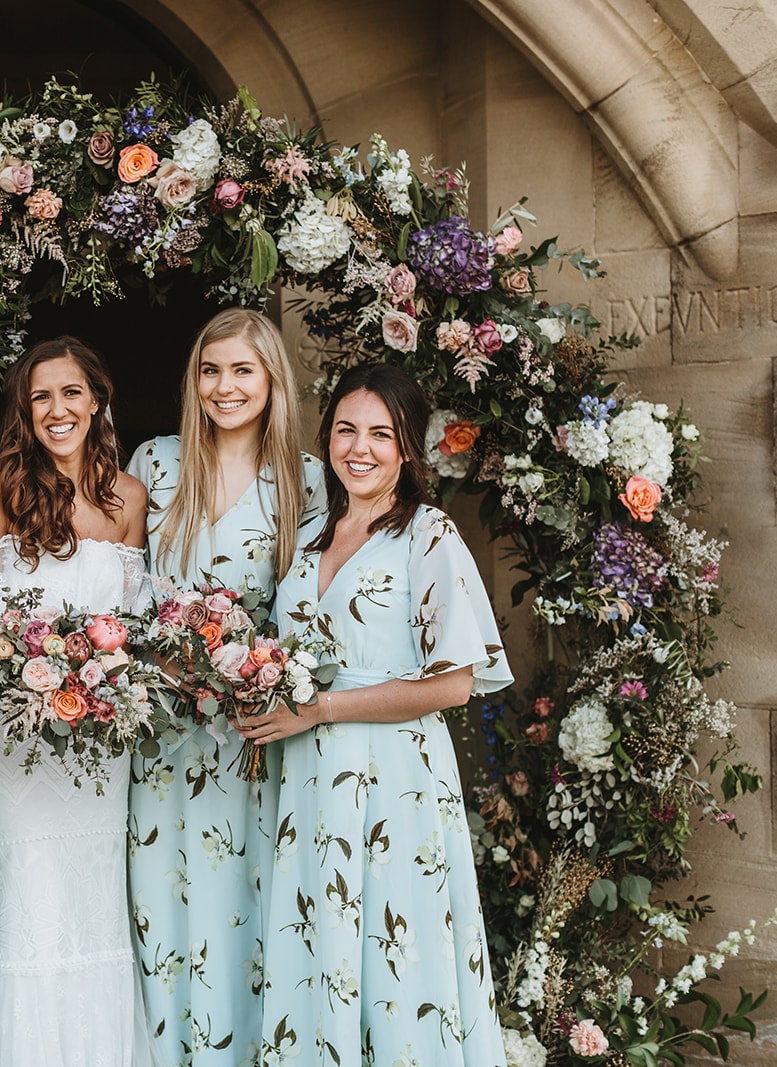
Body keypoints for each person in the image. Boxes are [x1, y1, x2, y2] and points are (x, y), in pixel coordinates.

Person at [237, 362, 511, 1065]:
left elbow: (454, 684)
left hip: (395, 782)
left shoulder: (428, 533)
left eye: (381, 434)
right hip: (308, 781)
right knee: (320, 945)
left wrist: (321, 707)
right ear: (326, 435)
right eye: (346, 429)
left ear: (409, 448)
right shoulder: (306, 535)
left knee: (396, 961)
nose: (360, 447)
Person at [124, 308, 324, 1065]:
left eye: (242, 370)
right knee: (165, 904)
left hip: (251, 739)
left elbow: (313, 608)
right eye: (211, 370)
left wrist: (261, 675)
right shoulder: (157, 461)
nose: (225, 386)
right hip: (163, 737)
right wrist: (158, 657)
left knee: (248, 905)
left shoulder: (304, 480)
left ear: (272, 377)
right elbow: (118, 587)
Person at [0, 336, 159, 1067]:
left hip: (103, 737)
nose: (57, 409)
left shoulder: (130, 497)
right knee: (33, 899)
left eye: (71, 392)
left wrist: (103, 682)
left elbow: (133, 626)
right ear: (24, 409)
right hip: (16, 738)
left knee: (96, 899)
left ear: (97, 399)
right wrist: (39, 676)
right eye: (40, 396)